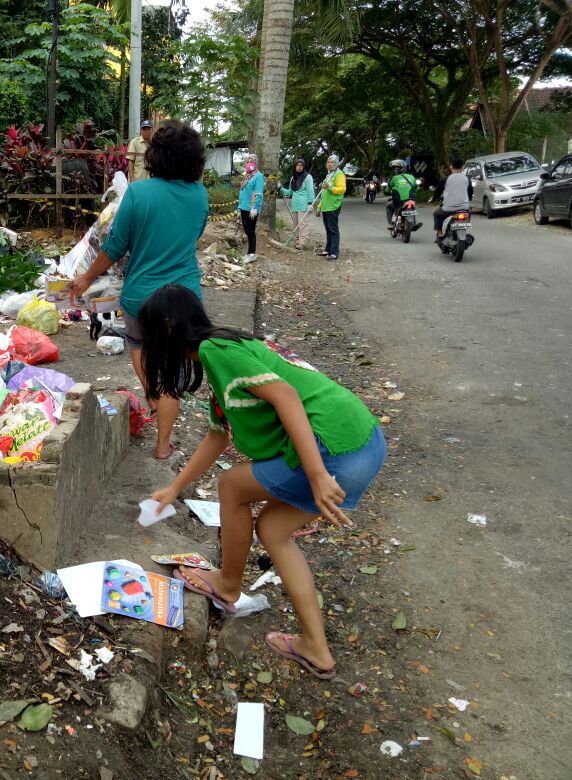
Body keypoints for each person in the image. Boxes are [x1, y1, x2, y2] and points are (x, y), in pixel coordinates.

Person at [143, 285, 386, 678]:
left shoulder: (215, 352)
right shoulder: (229, 348)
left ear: (168, 329)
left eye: (149, 335)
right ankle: (315, 648)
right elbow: (217, 436)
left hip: (333, 448)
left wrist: (318, 475)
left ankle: (227, 587)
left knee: (232, 487)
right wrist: (174, 488)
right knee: (272, 529)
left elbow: (287, 397)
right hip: (366, 441)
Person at [69, 121, 208, 460]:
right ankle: (164, 446)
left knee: (139, 345)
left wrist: (86, 277)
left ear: (154, 156)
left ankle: (152, 394)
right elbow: (194, 237)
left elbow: (115, 247)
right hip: (183, 300)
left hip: (140, 298)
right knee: (173, 373)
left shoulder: (139, 193)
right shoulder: (200, 196)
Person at [315, 155, 347, 260]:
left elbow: (342, 189)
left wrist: (330, 187)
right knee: (328, 229)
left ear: (336, 163)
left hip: (334, 205)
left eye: (332, 162)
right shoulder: (329, 174)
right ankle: (327, 250)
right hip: (326, 206)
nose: (329, 164)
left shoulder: (339, 174)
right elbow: (323, 192)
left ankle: (334, 252)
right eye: (328, 162)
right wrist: (319, 206)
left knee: (333, 229)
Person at [280, 159, 315, 249]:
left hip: (304, 204)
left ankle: (303, 243)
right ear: (295, 166)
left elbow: (310, 191)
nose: (299, 167)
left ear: (303, 167)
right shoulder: (293, 178)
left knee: (303, 224)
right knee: (295, 225)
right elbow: (290, 192)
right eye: (297, 165)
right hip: (295, 205)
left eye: (301, 165)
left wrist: (310, 203)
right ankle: (297, 241)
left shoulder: (308, 177)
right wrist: (280, 188)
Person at [434, 157, 474, 236]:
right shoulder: (467, 179)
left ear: (451, 166)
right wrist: (469, 199)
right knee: (469, 211)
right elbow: (470, 192)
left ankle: (440, 232)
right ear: (462, 167)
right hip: (464, 208)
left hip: (448, 209)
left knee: (436, 214)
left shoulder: (445, 179)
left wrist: (435, 198)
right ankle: (464, 227)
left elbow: (438, 191)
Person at [238, 155, 264, 262]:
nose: (249, 163)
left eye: (252, 161)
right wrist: (238, 208)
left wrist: (255, 208)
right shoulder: (247, 176)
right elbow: (241, 192)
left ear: (256, 163)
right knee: (246, 230)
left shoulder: (258, 176)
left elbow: (258, 193)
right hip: (243, 207)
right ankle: (249, 253)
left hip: (252, 208)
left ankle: (252, 253)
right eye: (248, 161)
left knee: (251, 231)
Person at [384, 159, 423, 232]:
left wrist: (386, 191)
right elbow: (417, 189)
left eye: (396, 168)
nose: (395, 169)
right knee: (412, 207)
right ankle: (413, 223)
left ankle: (391, 224)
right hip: (410, 200)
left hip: (398, 201)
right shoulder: (411, 177)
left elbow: (387, 189)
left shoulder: (394, 178)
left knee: (388, 206)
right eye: (394, 168)